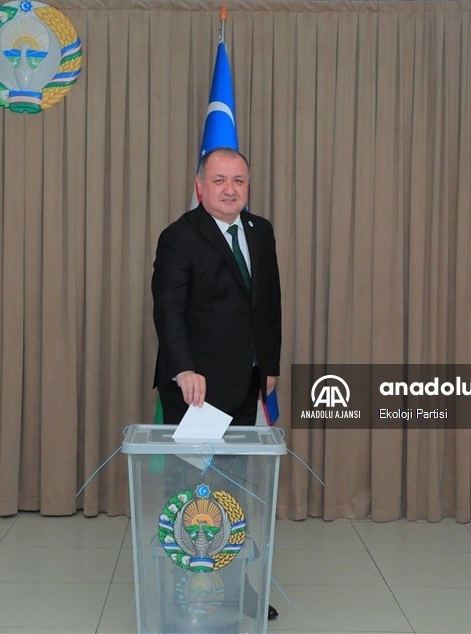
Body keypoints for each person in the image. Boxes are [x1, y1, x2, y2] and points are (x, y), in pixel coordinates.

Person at [151, 147, 282, 622]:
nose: (230, 190)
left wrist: (270, 365)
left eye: (239, 181)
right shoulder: (179, 237)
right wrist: (183, 369)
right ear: (200, 185)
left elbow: (269, 304)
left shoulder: (260, 231)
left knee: (232, 492)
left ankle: (234, 586)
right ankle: (185, 590)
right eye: (220, 180)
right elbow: (167, 309)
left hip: (246, 385)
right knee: (192, 496)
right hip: (197, 393)